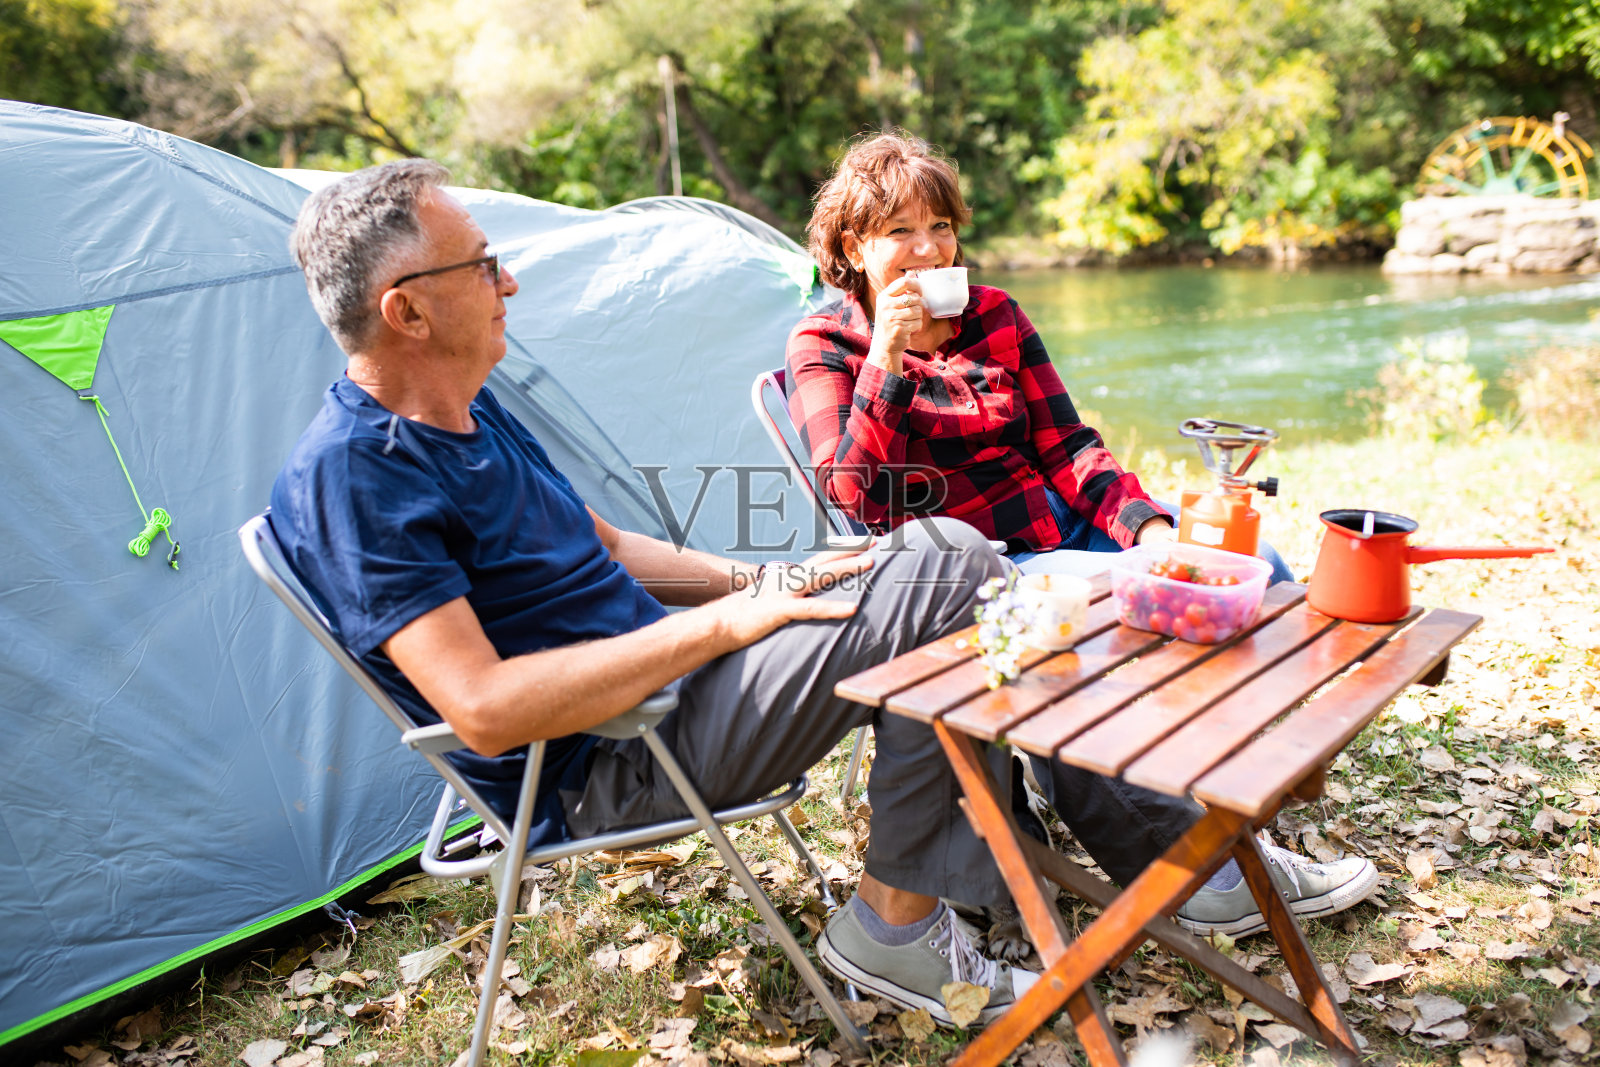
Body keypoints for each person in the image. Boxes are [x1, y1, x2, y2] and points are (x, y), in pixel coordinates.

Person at [269, 160, 1368, 1034]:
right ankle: (918, 909)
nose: (510, 282)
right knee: (949, 561)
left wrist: (765, 580)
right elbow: (486, 708)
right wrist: (730, 621)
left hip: (672, 679)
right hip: (609, 754)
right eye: (485, 265)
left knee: (944, 571)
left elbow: (600, 543)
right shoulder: (358, 474)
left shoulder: (466, 405)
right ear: (407, 309)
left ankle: (1002, 886)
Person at [786, 130, 1293, 584]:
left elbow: (1067, 445)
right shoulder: (825, 344)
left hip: (1071, 514)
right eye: (900, 231)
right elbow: (856, 496)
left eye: (941, 225)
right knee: (1176, 580)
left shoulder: (994, 312)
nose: (929, 248)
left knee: (1261, 562)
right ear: (854, 249)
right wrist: (886, 356)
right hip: (995, 560)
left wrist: (1147, 529)